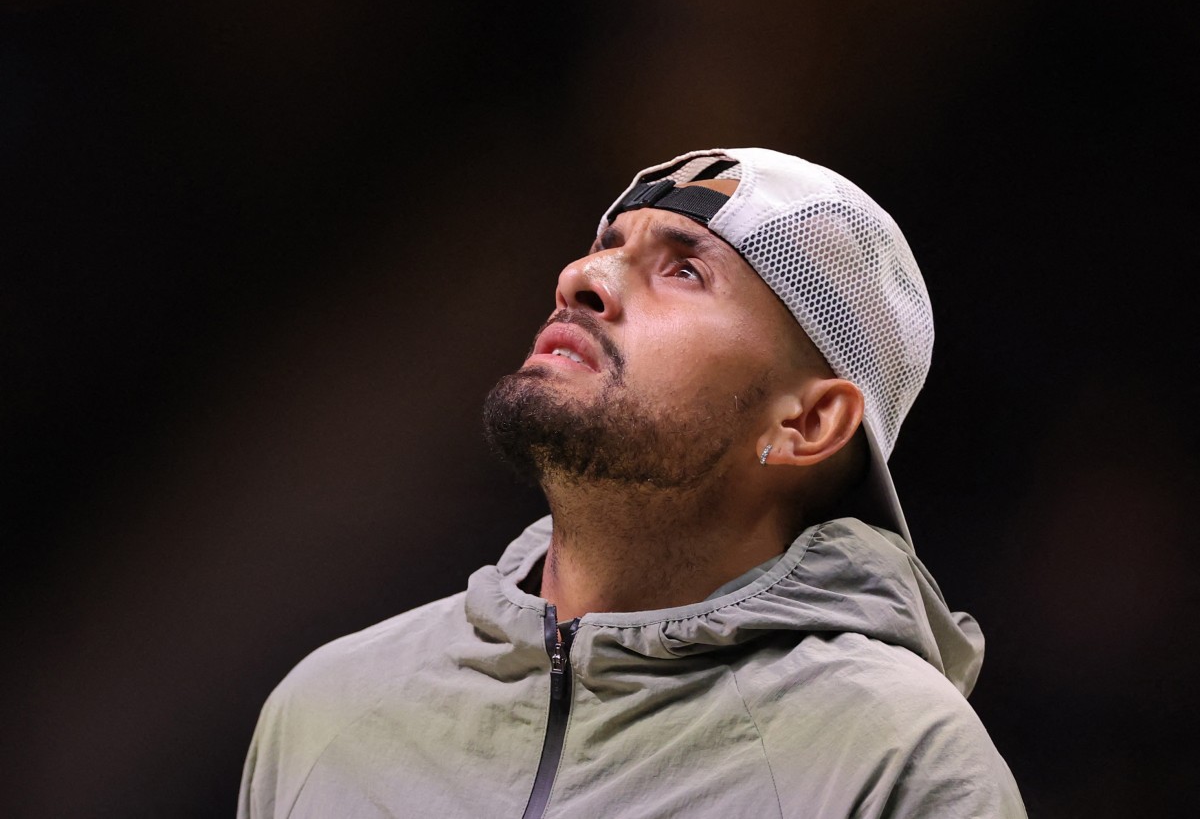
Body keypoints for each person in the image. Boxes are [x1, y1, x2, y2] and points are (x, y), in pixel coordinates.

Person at [238, 148, 1027, 818]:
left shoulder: (895, 758)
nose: (581, 275)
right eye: (607, 244)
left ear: (808, 423)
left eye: (685, 269)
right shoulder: (325, 710)